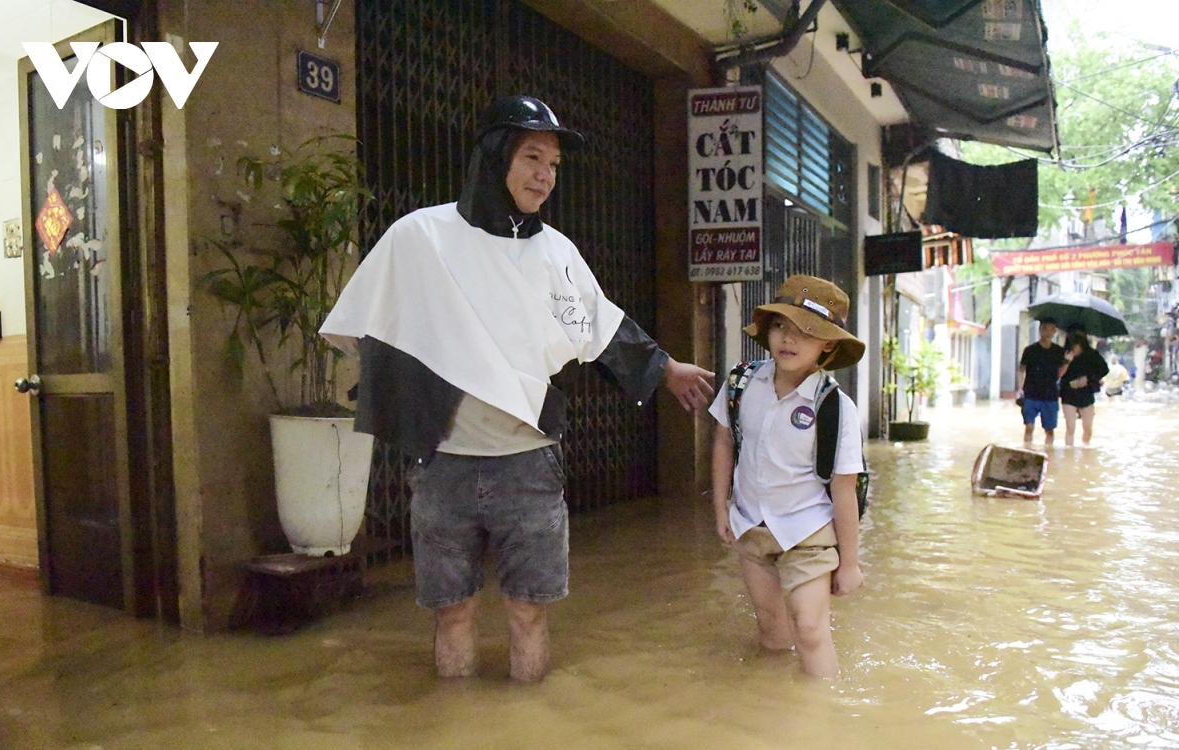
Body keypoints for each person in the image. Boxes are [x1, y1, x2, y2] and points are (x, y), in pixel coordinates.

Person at [319, 96, 714, 683]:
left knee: (529, 615)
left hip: (528, 464)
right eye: (533, 157)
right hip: (444, 464)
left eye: (554, 165)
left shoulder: (557, 253)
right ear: (495, 158)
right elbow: (365, 325)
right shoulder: (419, 237)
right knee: (452, 616)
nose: (545, 176)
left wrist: (664, 367)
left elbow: (598, 324)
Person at [708, 275, 866, 678]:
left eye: (805, 332)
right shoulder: (742, 384)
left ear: (828, 343)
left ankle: (824, 726)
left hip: (808, 533)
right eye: (781, 326)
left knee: (811, 632)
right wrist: (721, 511)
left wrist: (849, 563)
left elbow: (844, 490)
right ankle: (774, 713)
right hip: (751, 524)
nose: (788, 340)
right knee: (771, 630)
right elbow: (724, 443)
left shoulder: (835, 407)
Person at [1016, 318, 1073, 447]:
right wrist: (1020, 389)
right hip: (1031, 393)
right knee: (1029, 427)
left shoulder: (1059, 351)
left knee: (1049, 430)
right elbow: (1021, 370)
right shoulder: (1030, 350)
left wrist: (1067, 362)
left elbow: (1059, 374)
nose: (1048, 332)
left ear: (1055, 332)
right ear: (1040, 330)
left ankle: (1049, 455)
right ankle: (1027, 450)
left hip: (1050, 394)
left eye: (1051, 329)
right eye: (1045, 329)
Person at [1060, 329, 1109, 447]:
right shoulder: (1064, 354)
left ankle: (1085, 449)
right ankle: (1069, 452)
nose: (1076, 347)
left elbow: (1104, 370)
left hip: (1086, 393)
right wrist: (1067, 361)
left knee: (1088, 428)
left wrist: (1088, 379)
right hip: (1068, 393)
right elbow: (1058, 374)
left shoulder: (1092, 355)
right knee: (1070, 428)